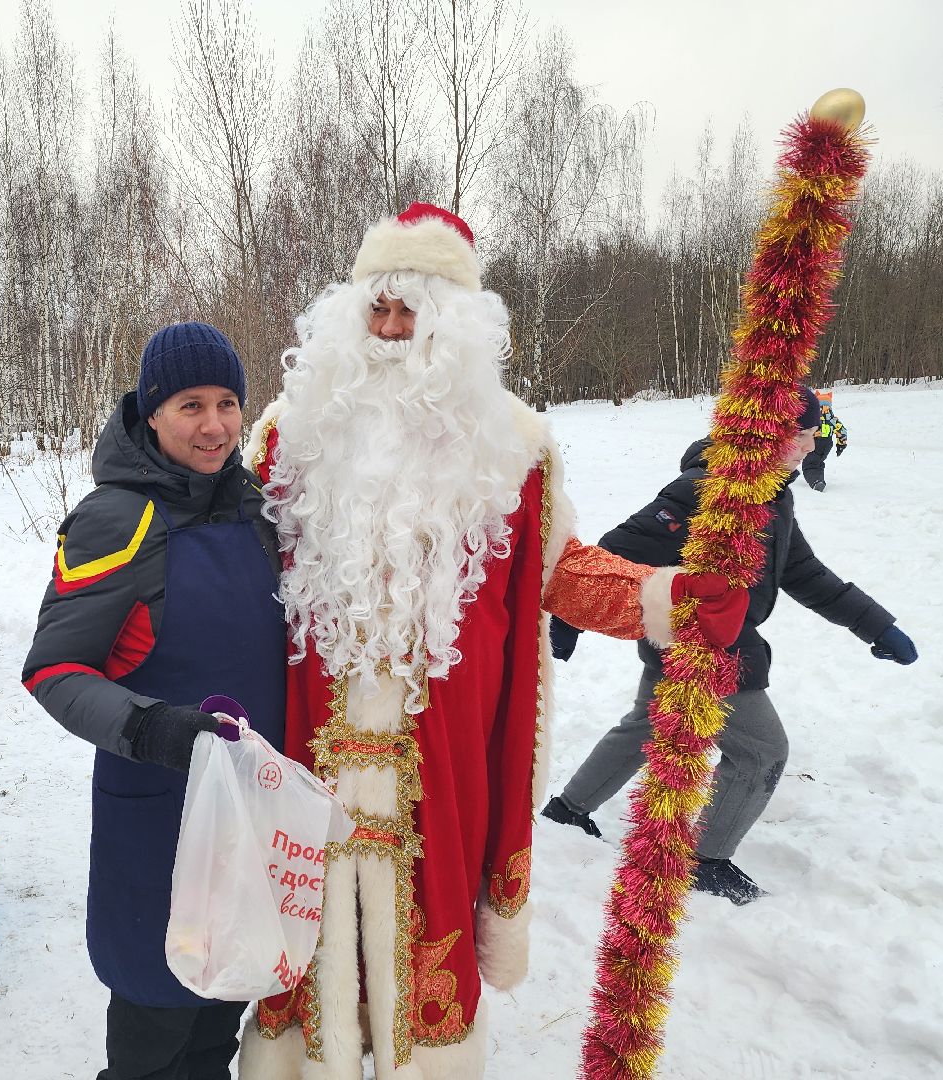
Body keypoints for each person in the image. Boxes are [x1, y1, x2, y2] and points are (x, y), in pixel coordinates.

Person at [240, 203, 743, 1079]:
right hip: (303, 757)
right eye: (378, 310)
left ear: (455, 329)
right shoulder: (290, 434)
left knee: (423, 959)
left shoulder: (511, 449)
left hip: (439, 768)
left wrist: (664, 598)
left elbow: (562, 574)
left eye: (413, 314)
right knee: (306, 953)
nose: (392, 332)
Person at [22, 322, 285, 1080]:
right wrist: (153, 728)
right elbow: (53, 671)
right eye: (190, 405)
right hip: (160, 822)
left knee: (215, 1030)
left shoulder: (255, 509)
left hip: (248, 820)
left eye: (229, 403)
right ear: (153, 413)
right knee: (152, 1037)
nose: (214, 426)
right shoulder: (119, 517)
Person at [543, 384, 917, 905]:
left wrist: (875, 625)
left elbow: (802, 572)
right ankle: (707, 860)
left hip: (697, 640)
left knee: (649, 724)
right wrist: (570, 619)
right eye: (806, 433)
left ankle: (568, 810)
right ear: (772, 435)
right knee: (761, 751)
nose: (813, 445)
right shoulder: (706, 491)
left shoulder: (772, 493)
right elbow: (614, 551)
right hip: (706, 647)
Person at [801, 389, 849, 491]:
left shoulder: (814, 417)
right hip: (827, 444)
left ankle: (815, 481)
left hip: (814, 443)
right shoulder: (833, 420)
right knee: (818, 462)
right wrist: (841, 445)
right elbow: (842, 432)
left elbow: (804, 427)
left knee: (809, 465)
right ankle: (819, 480)